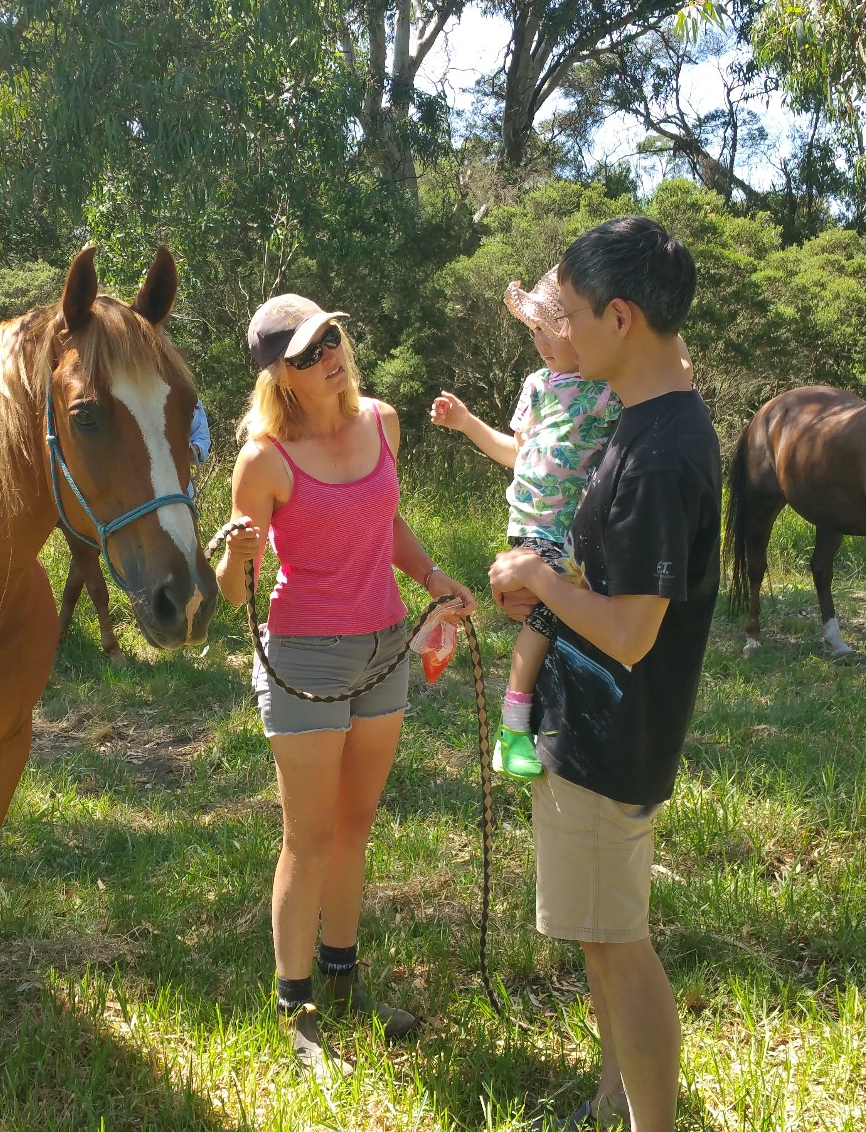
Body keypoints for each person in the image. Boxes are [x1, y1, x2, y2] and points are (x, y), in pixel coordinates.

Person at [213, 294, 480, 1080]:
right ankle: (295, 1012)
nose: (329, 353)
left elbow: (387, 523)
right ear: (281, 376)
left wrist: (434, 577)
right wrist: (234, 554)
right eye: (307, 351)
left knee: (356, 826)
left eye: (331, 336)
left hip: (385, 646)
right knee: (310, 836)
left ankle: (343, 981)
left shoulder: (382, 422)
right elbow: (236, 593)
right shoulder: (264, 459)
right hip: (306, 657)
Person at [487, 217, 715, 1131]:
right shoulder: (647, 418)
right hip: (587, 726)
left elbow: (628, 631)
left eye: (572, 314)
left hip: (613, 737)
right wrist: (545, 596)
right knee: (602, 937)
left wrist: (538, 578)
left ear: (621, 318)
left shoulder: (660, 454)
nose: (560, 332)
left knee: (621, 948)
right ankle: (616, 1096)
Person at [430, 267, 620, 781]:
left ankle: (540, 720)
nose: (538, 341)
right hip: (534, 522)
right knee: (547, 615)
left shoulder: (607, 388)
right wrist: (467, 422)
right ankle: (513, 726)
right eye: (533, 330)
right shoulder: (537, 385)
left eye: (548, 329)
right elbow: (517, 454)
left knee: (562, 617)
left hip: (578, 528)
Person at [56, 399, 212, 655]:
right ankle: (71, 628)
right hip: (140, 497)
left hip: (178, 495)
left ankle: (185, 617)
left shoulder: (191, 404)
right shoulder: (135, 402)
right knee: (85, 561)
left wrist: (190, 451)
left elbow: (203, 440)